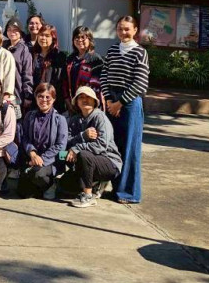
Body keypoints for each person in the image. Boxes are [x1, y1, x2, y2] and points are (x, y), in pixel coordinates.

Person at [100, 15, 149, 204]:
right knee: (113, 146)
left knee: (130, 148)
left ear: (135, 30)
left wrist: (119, 103)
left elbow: (140, 83)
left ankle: (129, 193)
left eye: (127, 29)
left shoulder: (140, 52)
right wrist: (109, 100)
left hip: (129, 104)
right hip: (111, 101)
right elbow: (104, 76)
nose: (123, 32)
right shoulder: (112, 50)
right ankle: (115, 188)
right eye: (120, 28)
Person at [64, 85, 122, 208]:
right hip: (84, 161)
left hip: (108, 161)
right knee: (64, 185)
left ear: (95, 101)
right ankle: (95, 183)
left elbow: (102, 145)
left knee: (84, 154)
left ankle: (88, 196)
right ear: (76, 102)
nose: (85, 99)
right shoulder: (75, 120)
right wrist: (82, 136)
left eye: (88, 97)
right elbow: (67, 142)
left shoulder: (100, 117)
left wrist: (77, 148)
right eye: (81, 97)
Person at [16, 83, 68, 199]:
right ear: (36, 98)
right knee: (23, 192)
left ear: (53, 99)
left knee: (37, 174)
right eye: (40, 96)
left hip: (50, 161)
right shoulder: (29, 116)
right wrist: (32, 153)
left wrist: (41, 159)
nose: (44, 100)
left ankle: (52, 184)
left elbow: (61, 145)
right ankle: (39, 188)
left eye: (48, 97)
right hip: (32, 158)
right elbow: (25, 138)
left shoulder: (60, 119)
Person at [63, 26, 104, 113]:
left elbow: (97, 86)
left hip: (89, 104)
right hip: (72, 103)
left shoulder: (95, 59)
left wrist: (87, 104)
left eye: (83, 37)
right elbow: (64, 81)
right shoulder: (70, 59)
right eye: (77, 37)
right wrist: (68, 101)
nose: (80, 40)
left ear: (90, 40)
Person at [32, 24, 67, 110]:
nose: (43, 38)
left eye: (47, 36)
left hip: (53, 101)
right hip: (34, 100)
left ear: (53, 39)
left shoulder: (59, 56)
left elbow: (60, 81)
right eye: (41, 35)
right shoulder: (32, 54)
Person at [4, 19, 34, 112]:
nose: (12, 32)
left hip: (17, 93)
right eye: (9, 29)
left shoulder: (24, 49)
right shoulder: (3, 46)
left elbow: (27, 73)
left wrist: (28, 95)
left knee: (16, 119)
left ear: (20, 32)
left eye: (15, 30)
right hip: (3, 93)